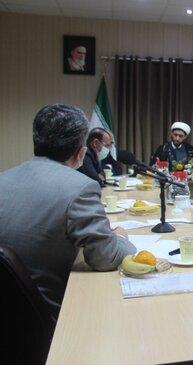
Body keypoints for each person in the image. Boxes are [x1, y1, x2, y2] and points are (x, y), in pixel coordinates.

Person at [0, 104, 136, 319]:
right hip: (47, 316)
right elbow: (105, 258)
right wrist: (120, 237)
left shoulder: (4, 178)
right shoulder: (80, 187)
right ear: (80, 151)